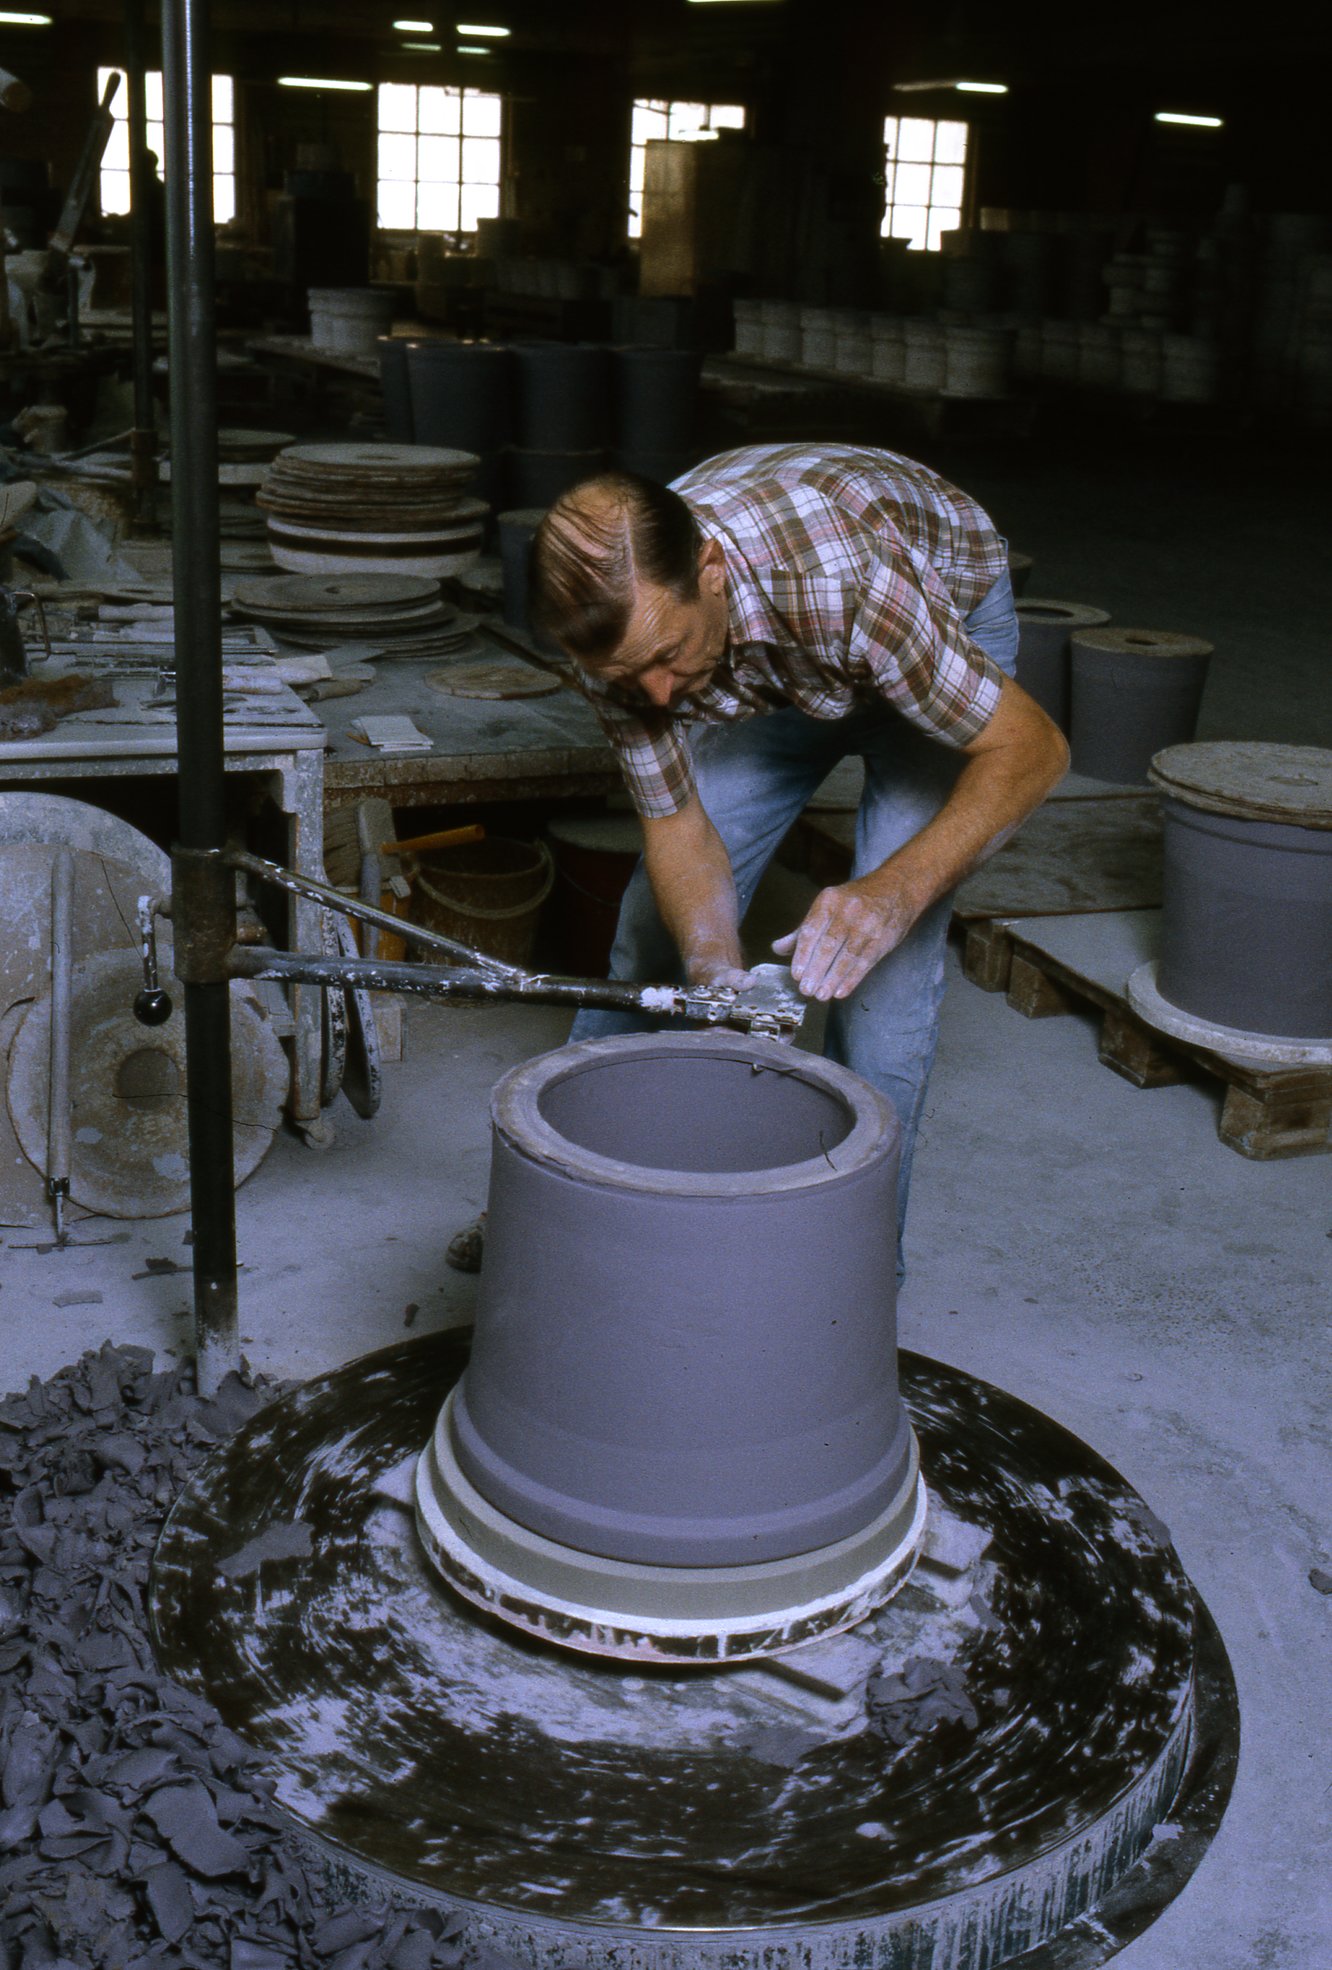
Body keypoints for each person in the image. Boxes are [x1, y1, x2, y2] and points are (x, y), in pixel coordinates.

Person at [446, 442, 1067, 1276]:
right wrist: (712, 969)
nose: (662, 697)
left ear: (709, 568)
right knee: (653, 944)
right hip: (768, 651)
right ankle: (555, 1203)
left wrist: (889, 895)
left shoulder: (851, 583)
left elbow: (1034, 751)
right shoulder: (621, 642)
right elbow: (677, 827)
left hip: (917, 616)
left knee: (882, 989)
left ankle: (847, 1275)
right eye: (633, 677)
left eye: (666, 657)